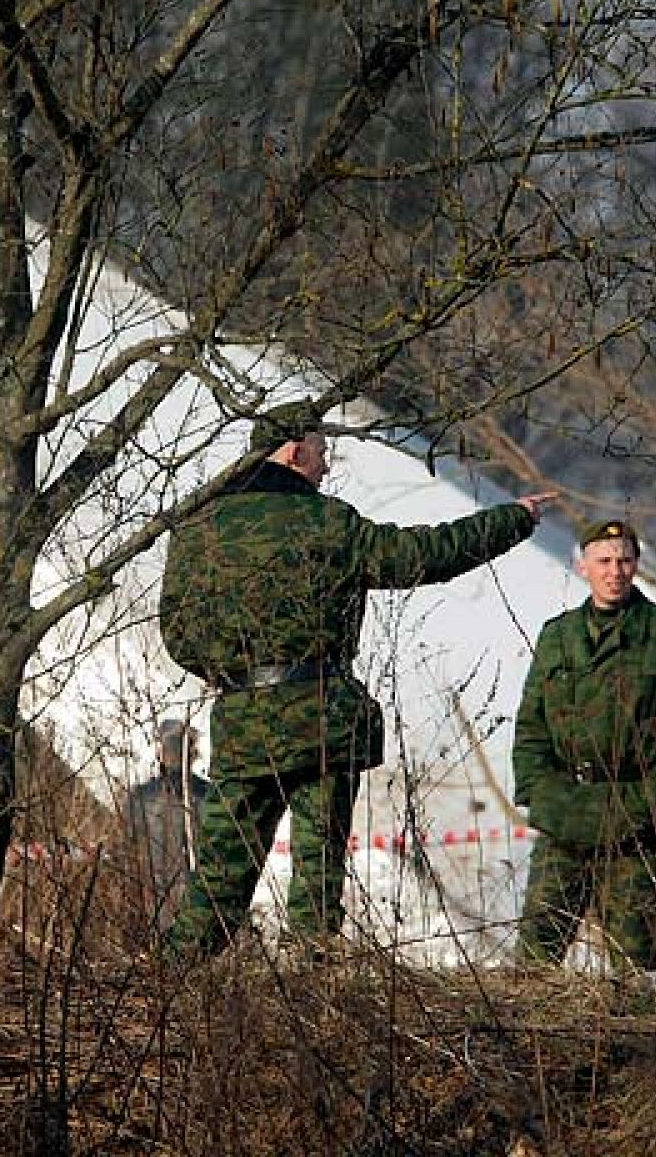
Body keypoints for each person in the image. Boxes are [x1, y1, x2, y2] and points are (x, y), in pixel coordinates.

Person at [158, 403, 555, 959]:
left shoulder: (197, 527)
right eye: (322, 452)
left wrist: (235, 675)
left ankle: (172, 979)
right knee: (318, 875)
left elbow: (177, 632)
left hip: (243, 719)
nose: (326, 466)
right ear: (295, 453)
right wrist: (512, 519)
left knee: (221, 872)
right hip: (323, 715)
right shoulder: (329, 521)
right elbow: (422, 556)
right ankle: (315, 995)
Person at [511, 518, 656, 970]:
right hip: (565, 816)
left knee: (633, 967)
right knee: (533, 963)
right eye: (603, 561)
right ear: (583, 566)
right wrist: (539, 794)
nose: (614, 571)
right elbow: (531, 726)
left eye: (624, 561)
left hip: (635, 826)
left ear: (637, 565)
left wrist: (649, 805)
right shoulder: (558, 637)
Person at [123, 719, 211, 930]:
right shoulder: (209, 795)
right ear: (191, 753)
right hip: (196, 902)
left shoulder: (139, 796)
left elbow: (126, 852)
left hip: (151, 898)